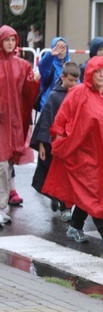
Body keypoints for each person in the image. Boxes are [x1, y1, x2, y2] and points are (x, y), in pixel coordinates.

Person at [43, 56, 103, 249]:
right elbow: (62, 117)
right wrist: (58, 139)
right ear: (89, 72)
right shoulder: (78, 93)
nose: (101, 75)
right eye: (97, 71)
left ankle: (75, 226)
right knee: (92, 190)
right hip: (82, 153)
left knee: (94, 191)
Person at [30, 62, 80, 221]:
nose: (73, 84)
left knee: (69, 176)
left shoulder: (79, 95)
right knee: (53, 173)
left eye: (76, 81)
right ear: (62, 77)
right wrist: (42, 143)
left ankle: (65, 205)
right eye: (70, 80)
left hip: (72, 144)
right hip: (55, 143)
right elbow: (46, 120)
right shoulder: (54, 96)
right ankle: (58, 200)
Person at [0, 25, 39, 225]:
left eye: (13, 40)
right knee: (1, 165)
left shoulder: (22, 65)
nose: (10, 43)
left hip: (13, 121)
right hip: (1, 122)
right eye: (7, 39)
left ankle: (1, 206)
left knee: (7, 164)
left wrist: (34, 82)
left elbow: (27, 92)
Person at [37, 37, 70, 111]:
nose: (60, 51)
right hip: (49, 107)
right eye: (58, 47)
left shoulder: (70, 66)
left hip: (64, 107)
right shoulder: (50, 65)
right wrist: (50, 55)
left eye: (63, 48)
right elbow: (42, 66)